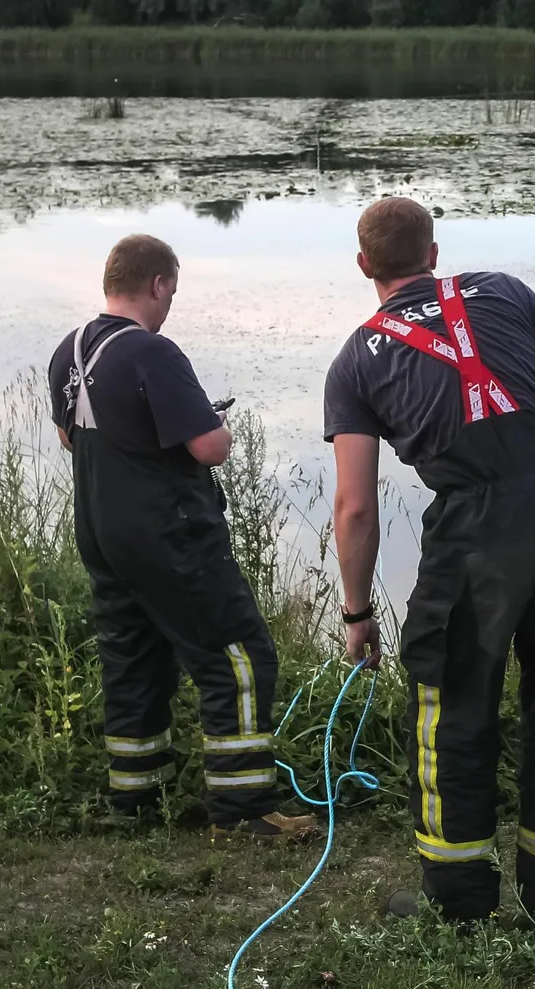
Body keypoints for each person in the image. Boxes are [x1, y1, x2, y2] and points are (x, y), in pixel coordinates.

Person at [323, 197, 535, 923]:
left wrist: (357, 611)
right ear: (433, 252)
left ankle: (456, 901)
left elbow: (356, 507)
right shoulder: (506, 289)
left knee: (452, 707)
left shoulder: (355, 359)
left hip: (476, 529)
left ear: (365, 266)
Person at [48, 234, 316, 840]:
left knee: (133, 659)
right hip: (170, 535)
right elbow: (210, 449)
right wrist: (216, 421)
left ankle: (138, 798)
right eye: (172, 290)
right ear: (160, 284)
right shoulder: (152, 352)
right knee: (240, 658)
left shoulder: (69, 350)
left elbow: (70, 437)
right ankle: (244, 810)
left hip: (103, 533)